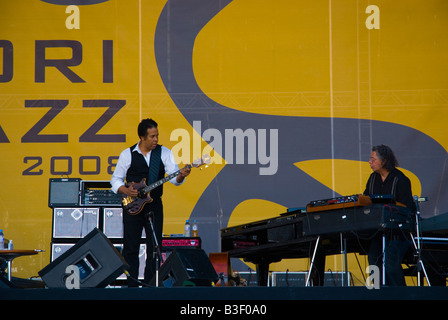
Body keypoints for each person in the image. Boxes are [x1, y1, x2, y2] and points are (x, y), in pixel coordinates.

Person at [111, 118, 190, 286]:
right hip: (132, 205)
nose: (156, 139)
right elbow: (115, 180)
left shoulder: (164, 153)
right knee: (130, 246)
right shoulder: (127, 154)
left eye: (157, 136)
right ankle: (132, 285)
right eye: (152, 136)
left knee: (154, 247)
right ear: (142, 137)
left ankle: (150, 284)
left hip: (154, 205)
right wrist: (126, 190)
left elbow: (174, 178)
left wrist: (182, 174)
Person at [363, 144, 416, 286]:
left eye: (373, 159)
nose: (370, 162)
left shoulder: (401, 179)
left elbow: (407, 208)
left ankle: (400, 295)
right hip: (378, 230)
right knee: (373, 260)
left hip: (399, 232)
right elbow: (366, 199)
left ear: (384, 161)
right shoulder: (373, 178)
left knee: (391, 262)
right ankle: (377, 292)